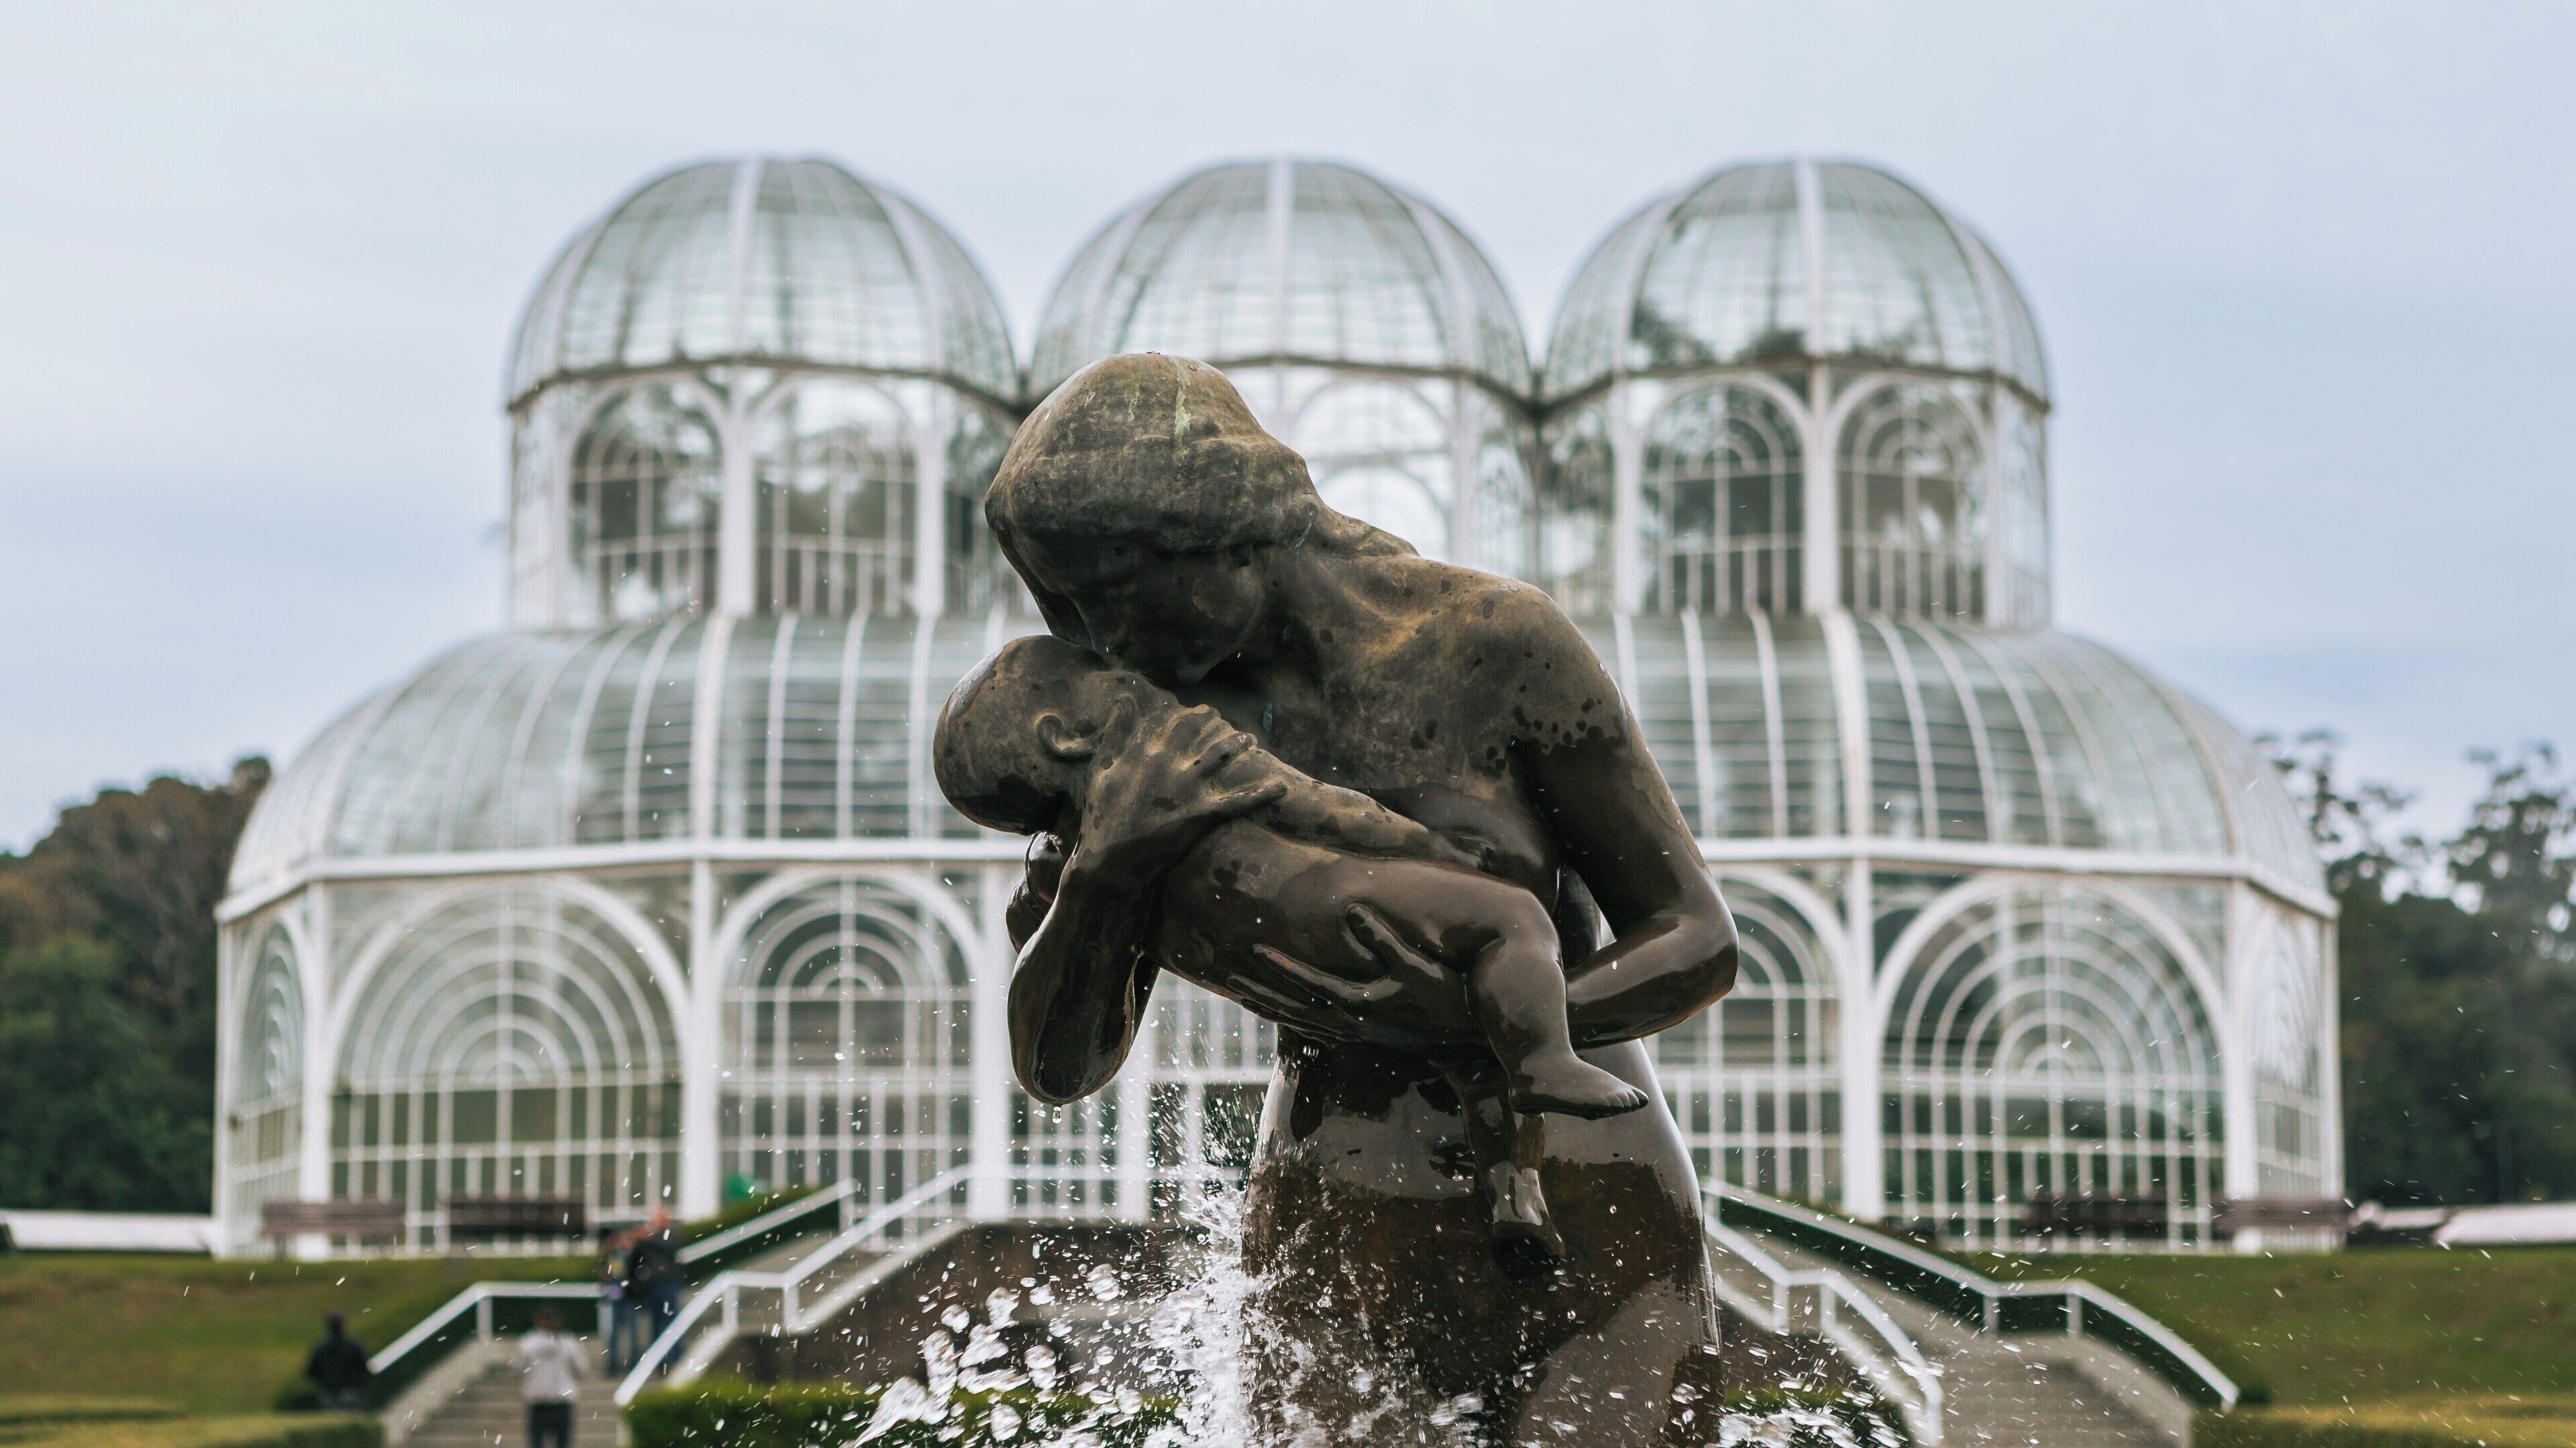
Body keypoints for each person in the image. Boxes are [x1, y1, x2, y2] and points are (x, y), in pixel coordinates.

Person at [970, 353, 1741, 1444]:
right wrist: (1106, 871)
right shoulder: (1148, 738)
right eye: (1072, 609)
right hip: (1331, 1253)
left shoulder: (1496, 644)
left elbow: (1699, 938)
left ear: (1227, 532)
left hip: (1587, 1221)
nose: (1105, 642)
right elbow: (1058, 1065)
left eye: (1116, 594)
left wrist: (1505, 1024)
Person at [938, 634, 1648, 1249]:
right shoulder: (1179, 751)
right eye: (1097, 673)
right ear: (1065, 734)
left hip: (1359, 1029)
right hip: (1345, 928)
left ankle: (1513, 1186)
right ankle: (1532, 1094)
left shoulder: (1063, 862)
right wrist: (1422, 846)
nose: (1125, 670)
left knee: (1473, 1054)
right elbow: (1053, 1065)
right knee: (1512, 930)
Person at [624, 1207, 683, 1360]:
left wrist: (646, 1238)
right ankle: (658, 1362)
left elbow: (670, 1248)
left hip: (669, 1285)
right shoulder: (650, 1239)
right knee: (655, 1327)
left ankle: (675, 1359)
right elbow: (636, 1259)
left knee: (671, 1324)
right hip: (654, 1287)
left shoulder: (670, 1236)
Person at [519, 1307, 582, 1448]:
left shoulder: (528, 1342)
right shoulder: (569, 1342)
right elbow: (582, 1367)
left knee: (536, 1443)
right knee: (563, 1443)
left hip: (538, 1401)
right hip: (562, 1401)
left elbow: (518, 1367)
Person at [596, 1226, 642, 1375]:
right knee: (614, 1333)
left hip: (629, 1297)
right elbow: (608, 1272)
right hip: (616, 1297)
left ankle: (632, 1363)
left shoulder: (635, 1254)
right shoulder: (613, 1254)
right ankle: (612, 1365)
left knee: (632, 1332)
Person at [303, 1313, 370, 1410]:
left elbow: (310, 1372)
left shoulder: (321, 1348)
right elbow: (363, 1369)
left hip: (328, 1394)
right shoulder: (353, 1347)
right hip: (349, 1393)